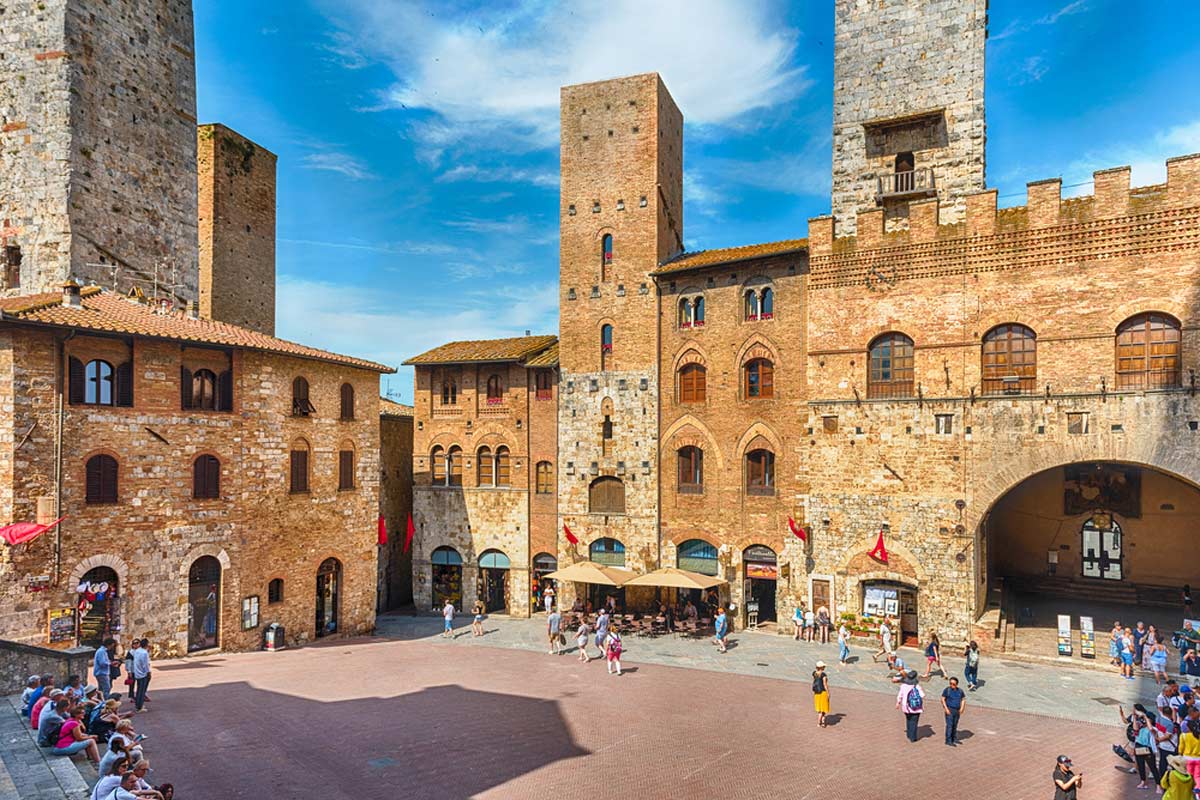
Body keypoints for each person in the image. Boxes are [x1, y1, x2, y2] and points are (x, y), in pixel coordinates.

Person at [1120, 703, 1160, 789]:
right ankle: (1143, 782)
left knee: (1152, 767)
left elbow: (1151, 729)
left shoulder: (1154, 729)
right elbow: (1135, 728)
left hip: (1148, 749)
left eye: (1147, 719)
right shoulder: (1140, 726)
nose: (1144, 721)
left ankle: (1158, 785)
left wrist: (1145, 717)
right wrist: (1134, 717)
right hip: (1139, 747)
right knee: (1141, 766)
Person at [896, 670, 924, 743]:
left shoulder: (903, 686)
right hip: (915, 707)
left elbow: (900, 695)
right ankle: (913, 737)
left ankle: (909, 734)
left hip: (905, 706)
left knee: (908, 720)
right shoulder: (917, 686)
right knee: (914, 722)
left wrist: (898, 703)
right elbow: (922, 695)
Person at [941, 676, 966, 746]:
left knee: (955, 725)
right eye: (950, 683)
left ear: (957, 684)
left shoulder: (960, 691)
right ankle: (948, 740)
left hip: (957, 710)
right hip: (950, 709)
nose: (952, 685)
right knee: (949, 725)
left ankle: (954, 738)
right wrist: (946, 708)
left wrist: (962, 708)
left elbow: (963, 699)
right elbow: (943, 699)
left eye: (953, 684)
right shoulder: (947, 690)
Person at [131, 639, 151, 712]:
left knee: (139, 689)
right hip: (143, 673)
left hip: (137, 672)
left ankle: (138, 704)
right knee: (142, 690)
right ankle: (140, 706)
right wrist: (148, 672)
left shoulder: (137, 651)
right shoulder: (144, 653)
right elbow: (145, 664)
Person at [812, 661, 830, 728]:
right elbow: (825, 685)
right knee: (823, 709)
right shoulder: (823, 675)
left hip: (817, 693)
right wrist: (828, 693)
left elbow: (814, 682)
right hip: (823, 693)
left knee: (819, 709)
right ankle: (821, 723)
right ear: (822, 667)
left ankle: (820, 723)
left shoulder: (814, 674)